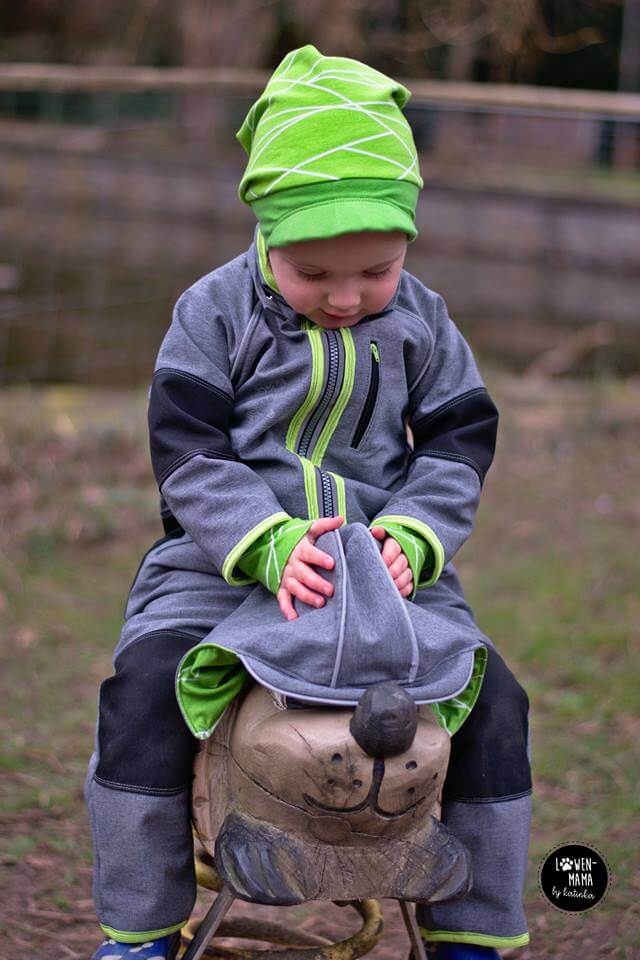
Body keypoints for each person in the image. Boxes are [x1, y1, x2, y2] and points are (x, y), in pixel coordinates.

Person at [86, 45, 532, 960]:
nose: (345, 297)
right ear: (265, 230)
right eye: (314, 272)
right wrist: (263, 538)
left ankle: (472, 932)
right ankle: (140, 926)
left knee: (495, 700)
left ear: (407, 242)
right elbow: (188, 453)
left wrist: (418, 533)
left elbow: (458, 444)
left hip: (383, 569)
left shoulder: (424, 322)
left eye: (377, 270)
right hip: (221, 568)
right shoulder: (212, 314)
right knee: (143, 692)